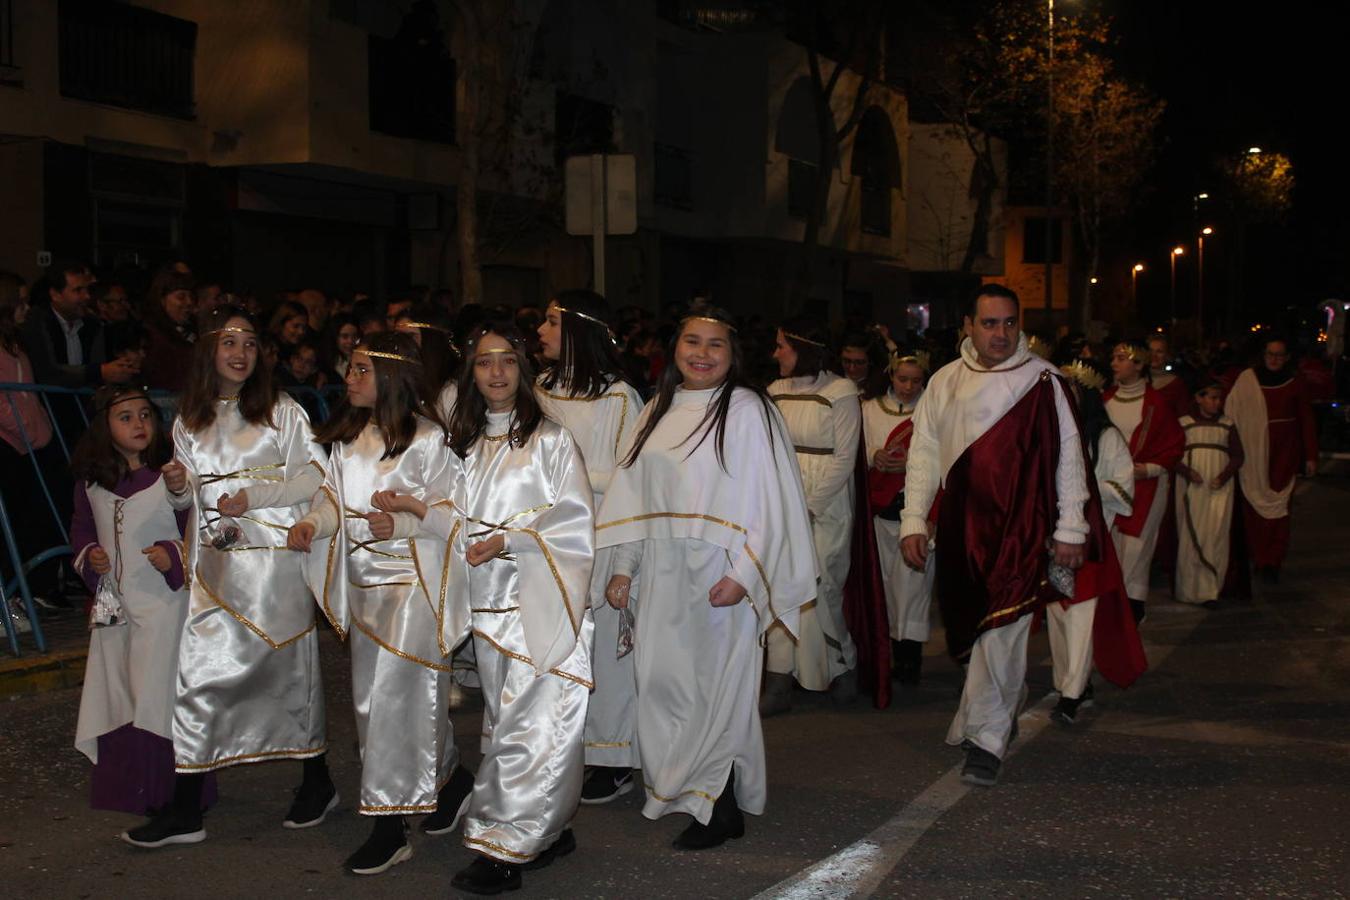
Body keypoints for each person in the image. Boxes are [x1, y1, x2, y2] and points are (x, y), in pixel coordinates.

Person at [597, 308, 816, 850]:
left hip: (719, 573)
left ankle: (718, 804)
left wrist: (745, 573)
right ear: (675, 349)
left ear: (733, 353)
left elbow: (770, 501)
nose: (702, 353)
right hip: (662, 574)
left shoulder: (747, 410)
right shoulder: (656, 409)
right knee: (664, 685)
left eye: (715, 344)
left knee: (717, 690)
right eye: (692, 342)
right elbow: (635, 497)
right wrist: (624, 567)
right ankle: (686, 786)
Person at [121, 306, 335, 848]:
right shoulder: (187, 420)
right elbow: (185, 498)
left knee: (290, 671)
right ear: (210, 352)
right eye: (229, 342)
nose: (241, 353)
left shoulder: (283, 411)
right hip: (217, 563)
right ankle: (187, 805)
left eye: (250, 343)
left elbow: (315, 474)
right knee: (199, 676)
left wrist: (258, 497)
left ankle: (317, 780)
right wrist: (174, 482)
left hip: (275, 562)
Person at [416, 322, 595, 894]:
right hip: (486, 611)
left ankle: (504, 849)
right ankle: (549, 828)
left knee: (529, 727)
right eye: (484, 361)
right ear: (470, 372)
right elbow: (455, 519)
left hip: (536, 603)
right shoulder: (462, 443)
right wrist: (413, 511)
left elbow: (572, 522)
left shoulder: (551, 442)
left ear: (523, 369)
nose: (496, 372)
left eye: (507, 361)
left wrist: (509, 540)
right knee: (511, 726)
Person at [900, 284, 1095, 787]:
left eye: (1009, 323)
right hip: (964, 528)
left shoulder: (1044, 381)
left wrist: (1070, 526)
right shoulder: (944, 381)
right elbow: (923, 454)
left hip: (1021, 527)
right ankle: (988, 713)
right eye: (989, 323)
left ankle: (988, 738)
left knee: (1003, 629)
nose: (1001, 333)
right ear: (968, 325)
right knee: (974, 630)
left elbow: (1070, 457)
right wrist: (914, 520)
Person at [289, 332, 468, 876]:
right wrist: (311, 524)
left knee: (388, 705)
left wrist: (406, 522)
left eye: (361, 369)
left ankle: (390, 828)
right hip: (365, 591)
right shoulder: (349, 441)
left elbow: (452, 510)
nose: (350, 378)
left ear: (390, 376)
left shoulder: (431, 440)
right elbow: (331, 501)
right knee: (388, 701)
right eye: (351, 368)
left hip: (413, 591)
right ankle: (456, 783)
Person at [535, 290, 645, 805]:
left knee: (605, 651)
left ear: (578, 330)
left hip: (600, 536)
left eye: (552, 322)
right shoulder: (538, 388)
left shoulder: (619, 397)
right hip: (547, 539)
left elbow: (631, 480)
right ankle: (564, 745)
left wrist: (624, 562)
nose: (540, 330)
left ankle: (613, 754)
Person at [70, 385, 198, 815]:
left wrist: (173, 553)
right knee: (119, 694)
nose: (139, 423)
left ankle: (171, 797)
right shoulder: (92, 485)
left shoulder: (169, 476)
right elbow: (82, 530)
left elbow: (192, 522)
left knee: (155, 698)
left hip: (163, 607)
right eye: (125, 417)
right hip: (116, 610)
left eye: (145, 414)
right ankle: (132, 791)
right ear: (104, 428)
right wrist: (92, 556)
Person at [762, 318, 861, 714]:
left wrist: (811, 504)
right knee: (780, 587)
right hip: (783, 498)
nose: (775, 354)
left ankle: (841, 666)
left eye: (782, 346)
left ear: (802, 348)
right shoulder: (775, 390)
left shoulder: (841, 390)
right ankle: (780, 677)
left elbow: (844, 457)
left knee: (822, 586)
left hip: (828, 503)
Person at [1048, 360, 1140, 726]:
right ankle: (1070, 684)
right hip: (1054, 540)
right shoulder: (1051, 432)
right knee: (1057, 614)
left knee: (1082, 616)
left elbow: (1123, 488)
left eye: (1071, 389)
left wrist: (1081, 486)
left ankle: (1071, 694)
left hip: (1092, 543)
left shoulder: (1106, 437)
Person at [860, 351, 933, 686]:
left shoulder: (933, 409)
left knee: (914, 587)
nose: (908, 386)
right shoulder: (868, 409)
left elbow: (942, 457)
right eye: (902, 378)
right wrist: (874, 455)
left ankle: (910, 657)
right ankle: (885, 653)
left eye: (916, 380)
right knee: (885, 585)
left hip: (915, 511)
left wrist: (909, 466)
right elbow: (854, 448)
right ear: (890, 375)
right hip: (878, 507)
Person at [1224, 335, 1316, 583]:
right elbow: (1231, 415)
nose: (1274, 359)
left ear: (1286, 358)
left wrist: (1310, 455)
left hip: (1284, 453)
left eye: (1279, 355)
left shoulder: (1295, 382)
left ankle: (1273, 560)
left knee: (1279, 507)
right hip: (1252, 452)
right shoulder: (1247, 380)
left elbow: (1306, 419)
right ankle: (1259, 557)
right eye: (1270, 354)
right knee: (1253, 506)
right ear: (1262, 355)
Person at [1104, 340, 1185, 623]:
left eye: (1121, 358)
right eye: (1113, 357)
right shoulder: (1106, 399)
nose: (1114, 363)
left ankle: (1132, 609)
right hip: (1111, 488)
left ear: (1138, 365)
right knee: (1112, 547)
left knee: (1136, 551)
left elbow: (1175, 445)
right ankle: (1114, 609)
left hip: (1146, 489)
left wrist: (1148, 469)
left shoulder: (1156, 404)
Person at [1175, 378, 1244, 607]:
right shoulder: (1184, 423)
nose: (1217, 402)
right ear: (1198, 398)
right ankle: (1189, 589)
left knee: (1216, 532)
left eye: (1218, 398)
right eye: (1212, 397)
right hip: (1191, 486)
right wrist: (1187, 472)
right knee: (1191, 533)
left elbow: (1237, 456)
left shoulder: (1227, 423)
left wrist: (1223, 476)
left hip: (1219, 487)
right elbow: (1172, 454)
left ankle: (1211, 589)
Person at [21, 259, 137, 388]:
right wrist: (99, 372)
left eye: (87, 289)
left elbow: (97, 370)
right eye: (78, 290)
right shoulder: (37, 320)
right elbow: (47, 371)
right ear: (55, 295)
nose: (87, 296)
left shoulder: (93, 325)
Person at [141, 269, 197, 392]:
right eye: (181, 297)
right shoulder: (150, 337)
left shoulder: (192, 332)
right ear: (161, 300)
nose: (189, 302)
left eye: (191, 297)